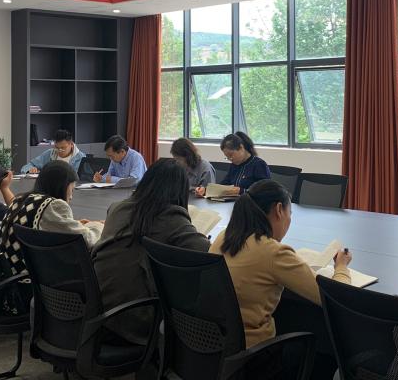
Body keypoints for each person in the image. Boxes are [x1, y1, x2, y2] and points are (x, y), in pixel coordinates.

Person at [211, 181, 351, 358]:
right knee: (322, 354)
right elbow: (337, 297)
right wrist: (341, 266)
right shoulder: (273, 252)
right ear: (279, 210)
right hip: (252, 355)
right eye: (289, 213)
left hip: (214, 347)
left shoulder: (223, 237)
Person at [92, 159, 210, 344]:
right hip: (136, 319)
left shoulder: (117, 208)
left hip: (97, 309)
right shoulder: (171, 217)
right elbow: (203, 250)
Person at [0, 161, 103, 277]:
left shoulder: (21, 199)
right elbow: (86, 240)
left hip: (9, 273)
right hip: (29, 279)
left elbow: (40, 224)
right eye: (71, 189)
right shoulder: (53, 206)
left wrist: (74, 224)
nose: (71, 196)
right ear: (62, 186)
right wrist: (100, 225)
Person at [196, 131, 270, 197]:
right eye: (227, 157)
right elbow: (224, 185)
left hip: (251, 205)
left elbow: (265, 191)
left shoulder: (259, 165)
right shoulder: (234, 165)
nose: (230, 159)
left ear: (241, 147)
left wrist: (241, 191)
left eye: (231, 155)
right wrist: (206, 190)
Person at [21, 129, 85, 174]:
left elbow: (85, 179)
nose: (59, 150)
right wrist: (30, 170)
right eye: (57, 147)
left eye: (63, 148)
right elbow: (26, 167)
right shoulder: (50, 153)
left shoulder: (81, 157)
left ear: (71, 144)